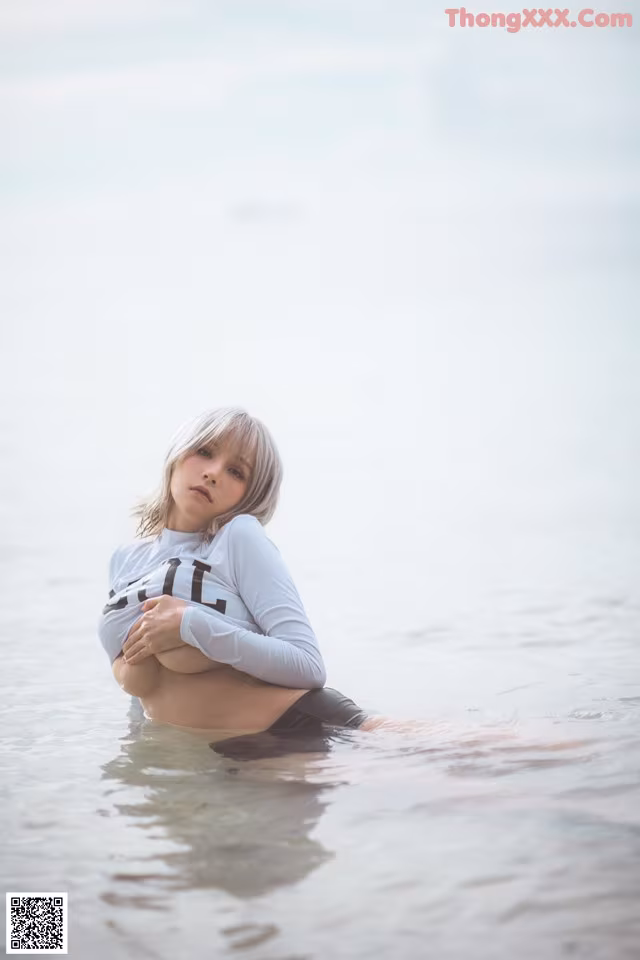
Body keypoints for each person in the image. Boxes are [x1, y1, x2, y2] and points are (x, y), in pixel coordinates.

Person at [98, 406, 387, 756]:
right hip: (228, 757)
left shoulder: (238, 536)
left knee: (457, 771)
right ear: (177, 454)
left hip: (305, 730)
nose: (213, 473)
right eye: (204, 451)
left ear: (249, 495)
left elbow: (308, 665)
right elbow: (143, 694)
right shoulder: (125, 559)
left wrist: (189, 624)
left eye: (236, 472)